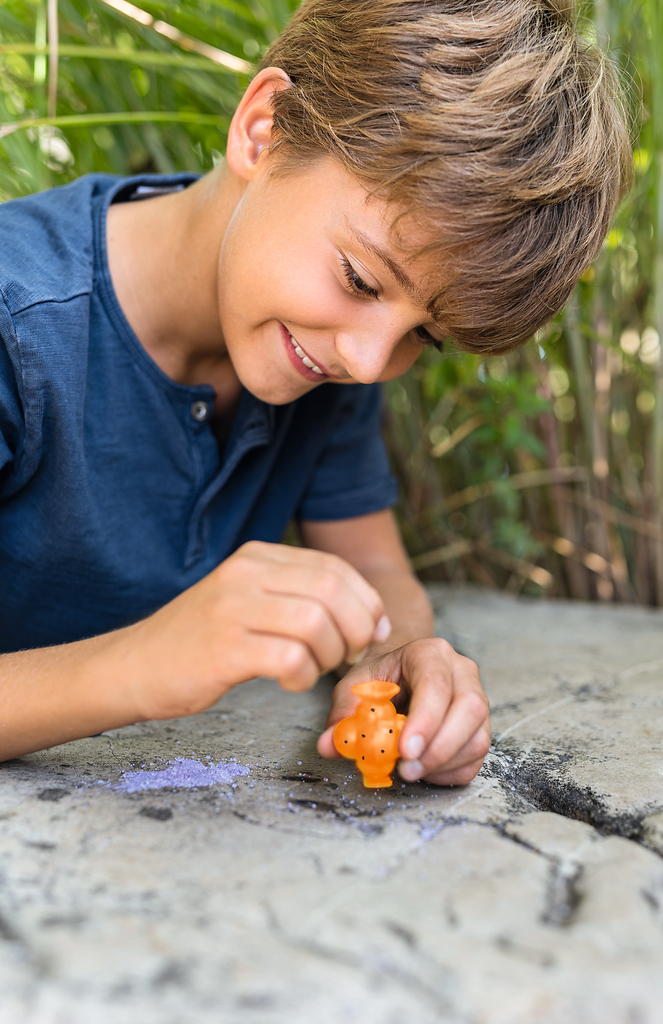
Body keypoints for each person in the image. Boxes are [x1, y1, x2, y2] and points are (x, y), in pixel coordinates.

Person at [0, 0, 630, 779]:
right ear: (263, 127)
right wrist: (141, 667)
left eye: (421, 338)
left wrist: (395, 657)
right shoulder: (16, 325)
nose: (368, 363)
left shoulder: (319, 345)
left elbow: (375, 569)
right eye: (359, 279)